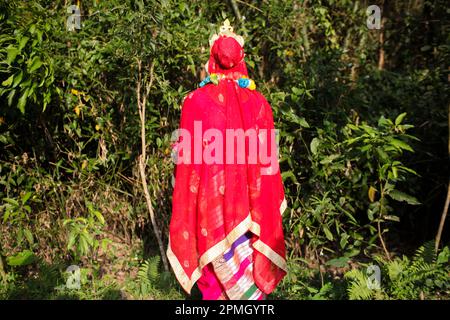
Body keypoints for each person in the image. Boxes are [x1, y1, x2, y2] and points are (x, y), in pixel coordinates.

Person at [167, 20, 287, 300]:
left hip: (210, 207)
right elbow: (268, 161)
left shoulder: (195, 101)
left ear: (212, 60)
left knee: (212, 264)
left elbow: (185, 157)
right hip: (251, 206)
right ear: (241, 60)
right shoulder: (259, 103)